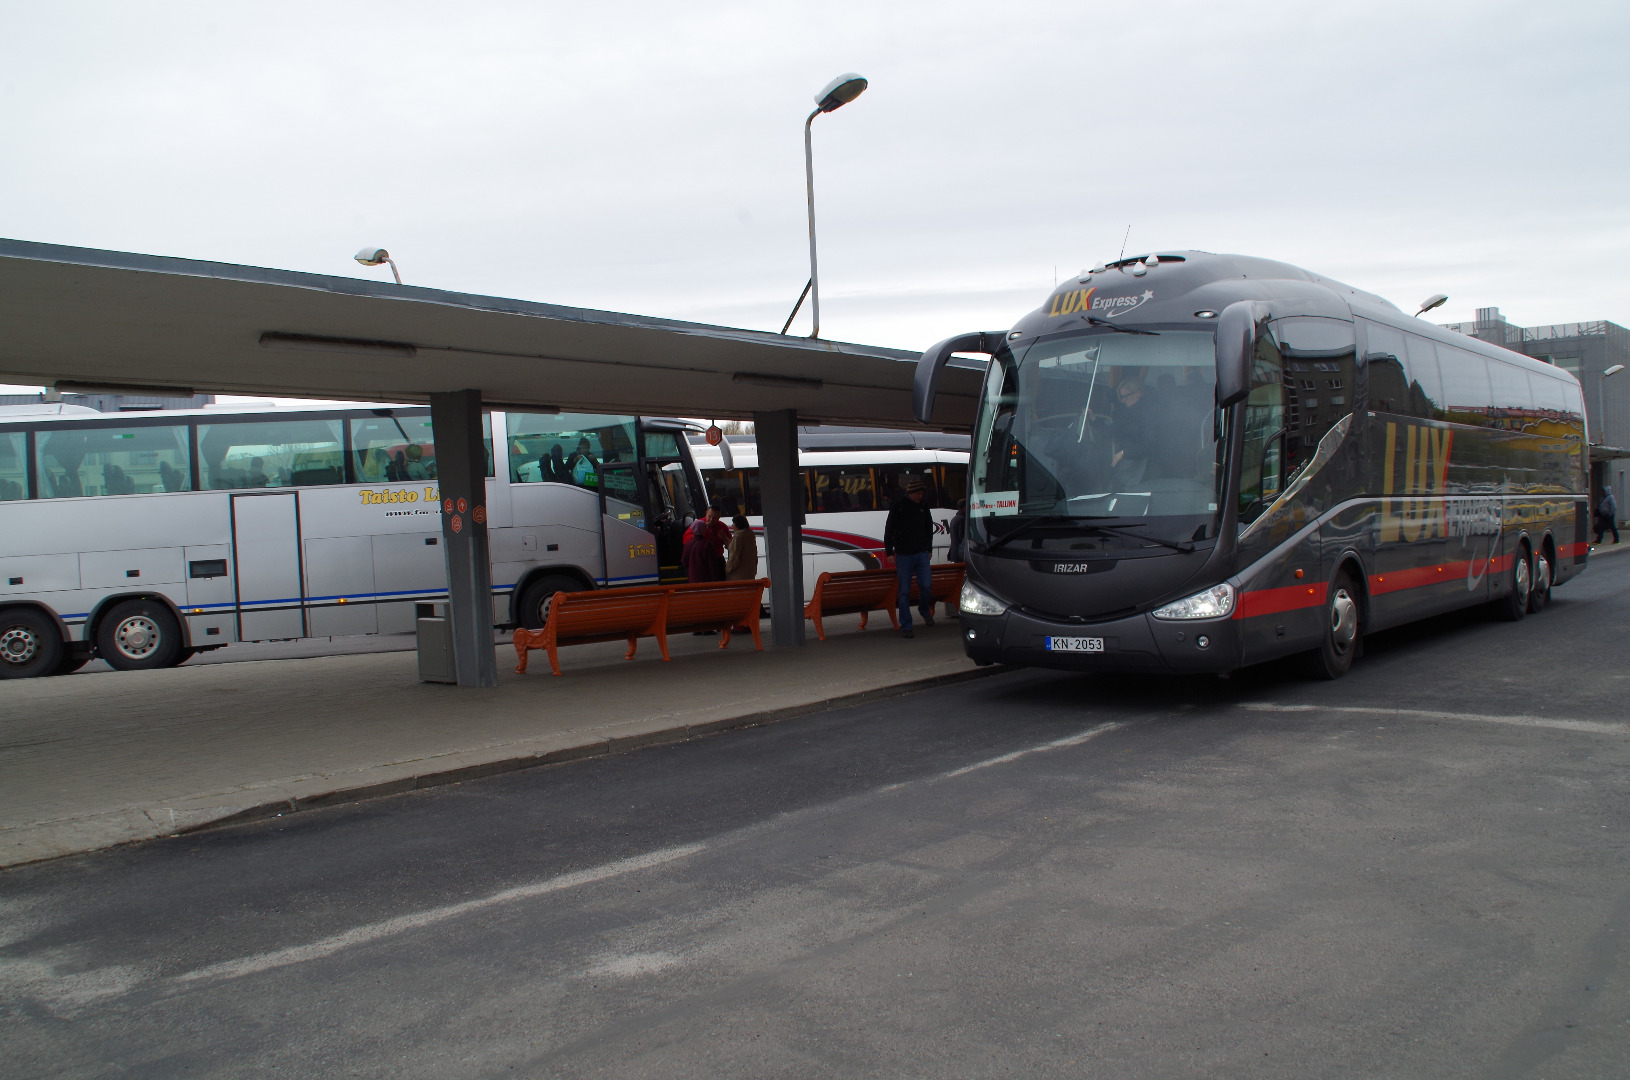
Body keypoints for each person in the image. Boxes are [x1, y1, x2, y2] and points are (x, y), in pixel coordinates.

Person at [884, 476, 936, 638]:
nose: (921, 496)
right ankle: (906, 625)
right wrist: (889, 552)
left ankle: (923, 609)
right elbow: (889, 529)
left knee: (926, 585)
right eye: (919, 493)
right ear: (912, 493)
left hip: (920, 552)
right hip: (904, 554)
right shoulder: (898, 507)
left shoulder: (923, 506)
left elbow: (928, 529)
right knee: (904, 591)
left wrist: (928, 548)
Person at [683, 504, 731, 583]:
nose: (711, 520)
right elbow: (686, 541)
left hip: (717, 560)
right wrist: (700, 531)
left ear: (719, 517)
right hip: (700, 561)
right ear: (706, 513)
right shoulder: (698, 525)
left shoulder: (722, 527)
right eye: (709, 516)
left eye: (715, 518)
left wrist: (725, 538)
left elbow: (731, 547)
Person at [944, 498, 968, 617]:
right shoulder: (962, 519)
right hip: (960, 552)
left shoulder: (954, 518)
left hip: (954, 551)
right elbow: (963, 537)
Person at [725, 515, 758, 580]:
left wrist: (727, 570)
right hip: (749, 573)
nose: (732, 526)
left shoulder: (738, 537)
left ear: (737, 525)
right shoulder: (750, 536)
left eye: (733, 523)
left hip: (738, 576)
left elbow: (734, 557)